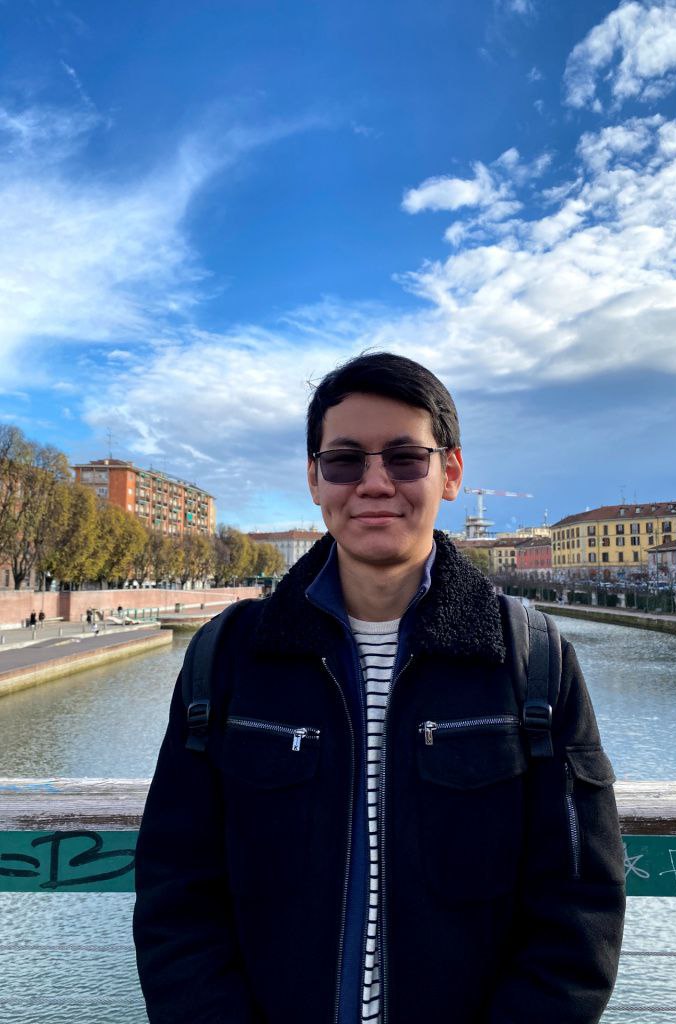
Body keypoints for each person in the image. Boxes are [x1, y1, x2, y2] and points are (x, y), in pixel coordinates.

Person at [133, 352, 625, 1024]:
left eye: (405, 458)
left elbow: (579, 905)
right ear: (314, 478)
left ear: (451, 473)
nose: (373, 483)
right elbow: (176, 891)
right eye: (344, 461)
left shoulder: (534, 658)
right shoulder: (225, 657)